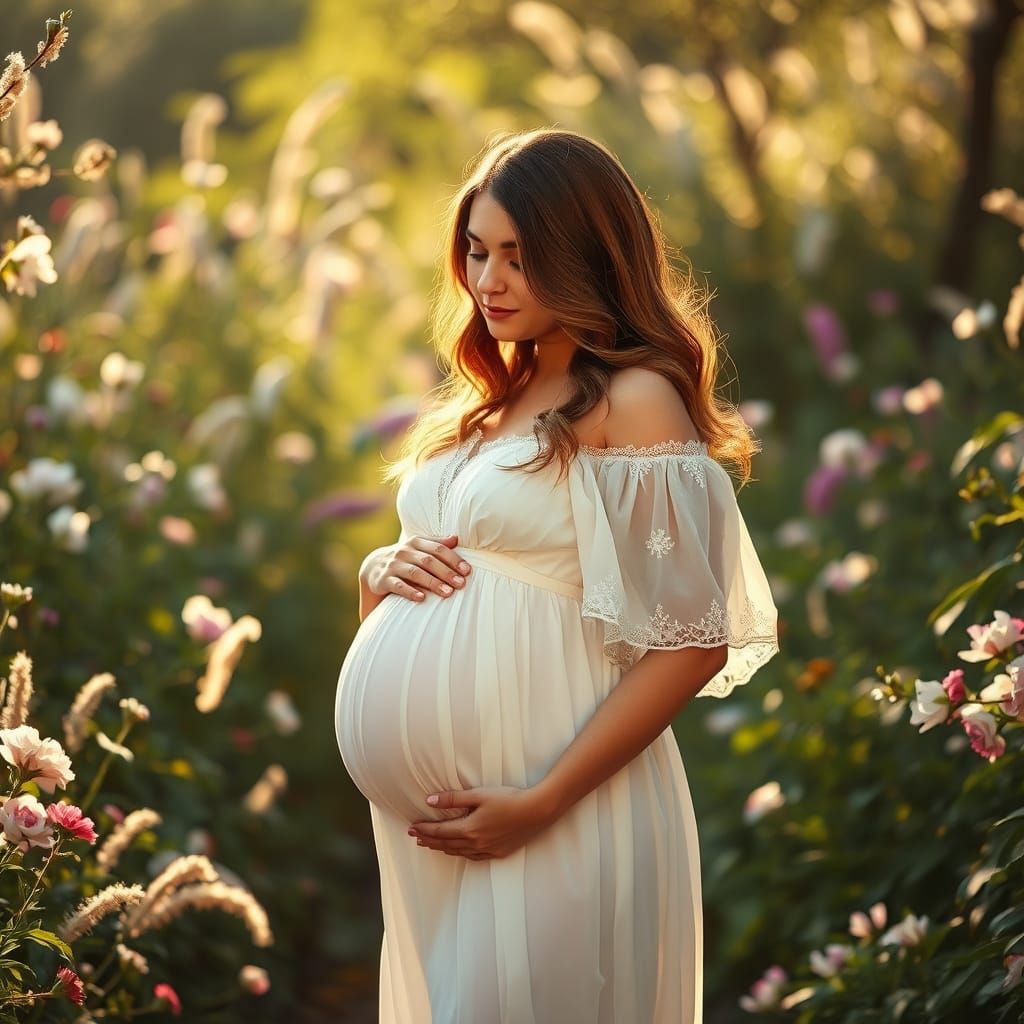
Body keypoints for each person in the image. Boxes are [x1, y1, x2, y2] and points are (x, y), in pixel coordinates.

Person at [334, 127, 780, 1024]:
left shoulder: (634, 399)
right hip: (437, 834)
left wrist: (541, 800)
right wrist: (381, 569)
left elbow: (692, 645)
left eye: (518, 257)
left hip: (557, 808)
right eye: (477, 251)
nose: (488, 280)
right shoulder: (486, 403)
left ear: (583, 258)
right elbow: (415, 602)